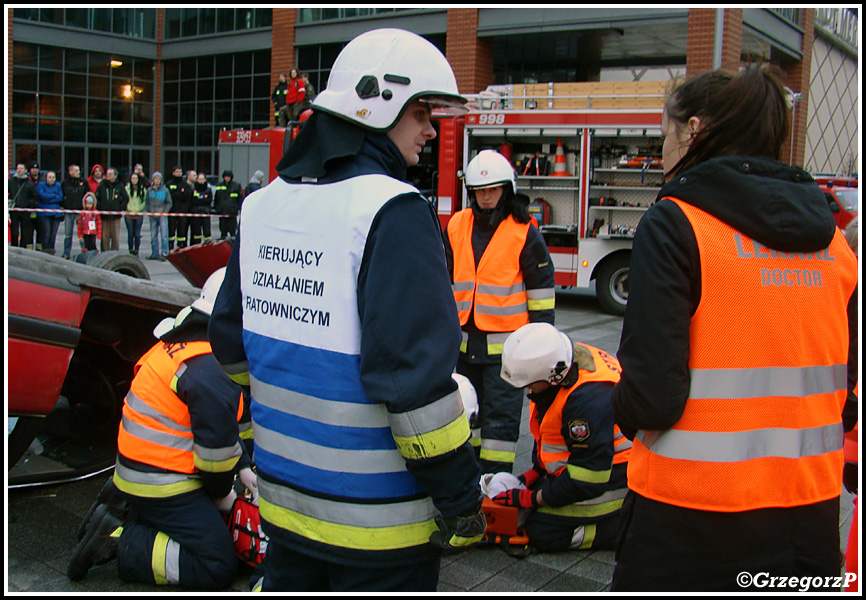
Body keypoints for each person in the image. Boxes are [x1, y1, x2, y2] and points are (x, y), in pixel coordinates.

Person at [208, 28, 486, 592]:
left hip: (284, 510)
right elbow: (414, 385)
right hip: (378, 524)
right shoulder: (395, 209)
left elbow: (233, 346)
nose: (431, 131)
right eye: (421, 112)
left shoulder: (260, 207)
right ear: (379, 104)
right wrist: (460, 499)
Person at [608, 66, 859, 592]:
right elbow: (846, 394)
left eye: (665, 134)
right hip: (807, 521)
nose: (663, 150)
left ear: (693, 129)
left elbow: (650, 398)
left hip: (689, 519)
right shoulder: (835, 247)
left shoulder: (677, 223)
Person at [68, 268, 256, 589]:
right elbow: (214, 456)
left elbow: (220, 428)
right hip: (163, 482)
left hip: (151, 470)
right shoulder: (211, 368)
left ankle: (134, 517)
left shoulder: (189, 341)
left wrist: (242, 470)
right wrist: (224, 493)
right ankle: (124, 543)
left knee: (219, 528)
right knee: (217, 565)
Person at [443, 149, 556, 474]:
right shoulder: (457, 225)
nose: (486, 196)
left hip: (508, 351)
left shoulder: (523, 229)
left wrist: (542, 340)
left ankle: (495, 487)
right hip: (464, 347)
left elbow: (541, 291)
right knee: (466, 415)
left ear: (506, 189)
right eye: (480, 190)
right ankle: (469, 479)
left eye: (492, 189)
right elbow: (444, 279)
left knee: (501, 425)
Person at [494, 323, 630, 552]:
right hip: (593, 462)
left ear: (552, 376)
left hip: (616, 476)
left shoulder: (586, 402)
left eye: (530, 384)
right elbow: (554, 434)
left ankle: (619, 530)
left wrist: (534, 498)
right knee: (541, 505)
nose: (527, 390)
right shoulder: (565, 360)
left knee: (542, 531)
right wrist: (535, 473)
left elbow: (589, 479)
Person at [94, 167, 128, 252]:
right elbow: (96, 197)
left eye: (110, 174)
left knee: (115, 236)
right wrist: (100, 207)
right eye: (107, 174)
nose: (108, 176)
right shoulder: (102, 185)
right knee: (105, 236)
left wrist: (120, 208)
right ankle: (105, 252)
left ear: (115, 176)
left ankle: (114, 252)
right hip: (104, 216)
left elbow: (126, 198)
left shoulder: (119, 186)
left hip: (115, 216)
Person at [61, 164, 88, 258]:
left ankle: (85, 251)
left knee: (81, 233)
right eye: (76, 171)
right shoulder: (65, 183)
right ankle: (66, 253)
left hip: (80, 212)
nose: (78, 172)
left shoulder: (83, 182)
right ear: (70, 172)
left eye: (78, 170)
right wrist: (64, 205)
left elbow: (87, 195)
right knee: (68, 234)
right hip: (69, 212)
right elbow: (62, 196)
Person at [9, 163, 37, 249]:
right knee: (14, 231)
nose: (19, 170)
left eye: (21, 168)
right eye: (18, 168)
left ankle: (22, 248)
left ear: (25, 170)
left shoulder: (29, 183)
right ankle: (14, 247)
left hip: (25, 210)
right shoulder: (11, 182)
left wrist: (28, 204)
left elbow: (34, 196)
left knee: (25, 231)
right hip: (14, 210)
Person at [145, 172, 172, 261]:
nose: (157, 180)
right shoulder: (149, 190)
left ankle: (164, 253)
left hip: (162, 215)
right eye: (155, 179)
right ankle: (154, 253)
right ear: (153, 180)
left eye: (159, 179)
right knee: (153, 236)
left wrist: (164, 212)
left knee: (164, 235)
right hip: (153, 215)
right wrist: (149, 212)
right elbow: (147, 202)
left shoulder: (165, 190)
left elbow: (169, 202)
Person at [35, 170, 64, 254]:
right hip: (44, 213)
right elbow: (42, 196)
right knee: (46, 233)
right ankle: (45, 250)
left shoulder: (58, 185)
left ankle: (51, 250)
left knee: (53, 235)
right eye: (50, 177)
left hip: (56, 214)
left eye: (53, 177)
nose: (52, 179)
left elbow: (60, 197)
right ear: (46, 178)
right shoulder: (40, 185)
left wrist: (48, 198)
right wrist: (54, 195)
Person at [166, 166, 192, 250]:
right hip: (172, 210)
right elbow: (168, 196)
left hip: (182, 210)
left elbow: (187, 196)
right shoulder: (169, 184)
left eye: (180, 172)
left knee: (182, 229)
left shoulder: (185, 185)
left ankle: (181, 244)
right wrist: (179, 194)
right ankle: (170, 245)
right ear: (173, 173)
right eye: (177, 172)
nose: (179, 174)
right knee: (171, 229)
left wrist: (177, 194)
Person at [214, 169, 243, 239]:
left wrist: (236, 208)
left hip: (232, 213)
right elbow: (217, 198)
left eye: (228, 177)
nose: (227, 178)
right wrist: (218, 208)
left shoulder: (236, 186)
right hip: (222, 212)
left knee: (233, 232)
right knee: (223, 231)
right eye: (225, 176)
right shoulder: (219, 186)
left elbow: (240, 199)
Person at [124, 172, 147, 256]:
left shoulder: (142, 189)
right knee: (130, 234)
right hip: (129, 214)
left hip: (138, 214)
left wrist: (139, 209)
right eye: (132, 178)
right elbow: (125, 199)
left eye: (136, 178)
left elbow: (144, 201)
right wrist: (128, 208)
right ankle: (130, 250)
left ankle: (136, 250)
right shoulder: (127, 189)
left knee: (137, 234)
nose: (134, 180)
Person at [190, 172, 214, 245]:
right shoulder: (193, 189)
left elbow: (209, 200)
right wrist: (202, 200)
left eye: (202, 179)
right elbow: (193, 200)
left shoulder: (208, 189)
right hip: (196, 213)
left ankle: (208, 245)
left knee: (207, 231)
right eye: (199, 179)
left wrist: (200, 200)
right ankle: (197, 245)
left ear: (205, 180)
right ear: (197, 180)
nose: (201, 180)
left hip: (205, 212)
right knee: (196, 232)